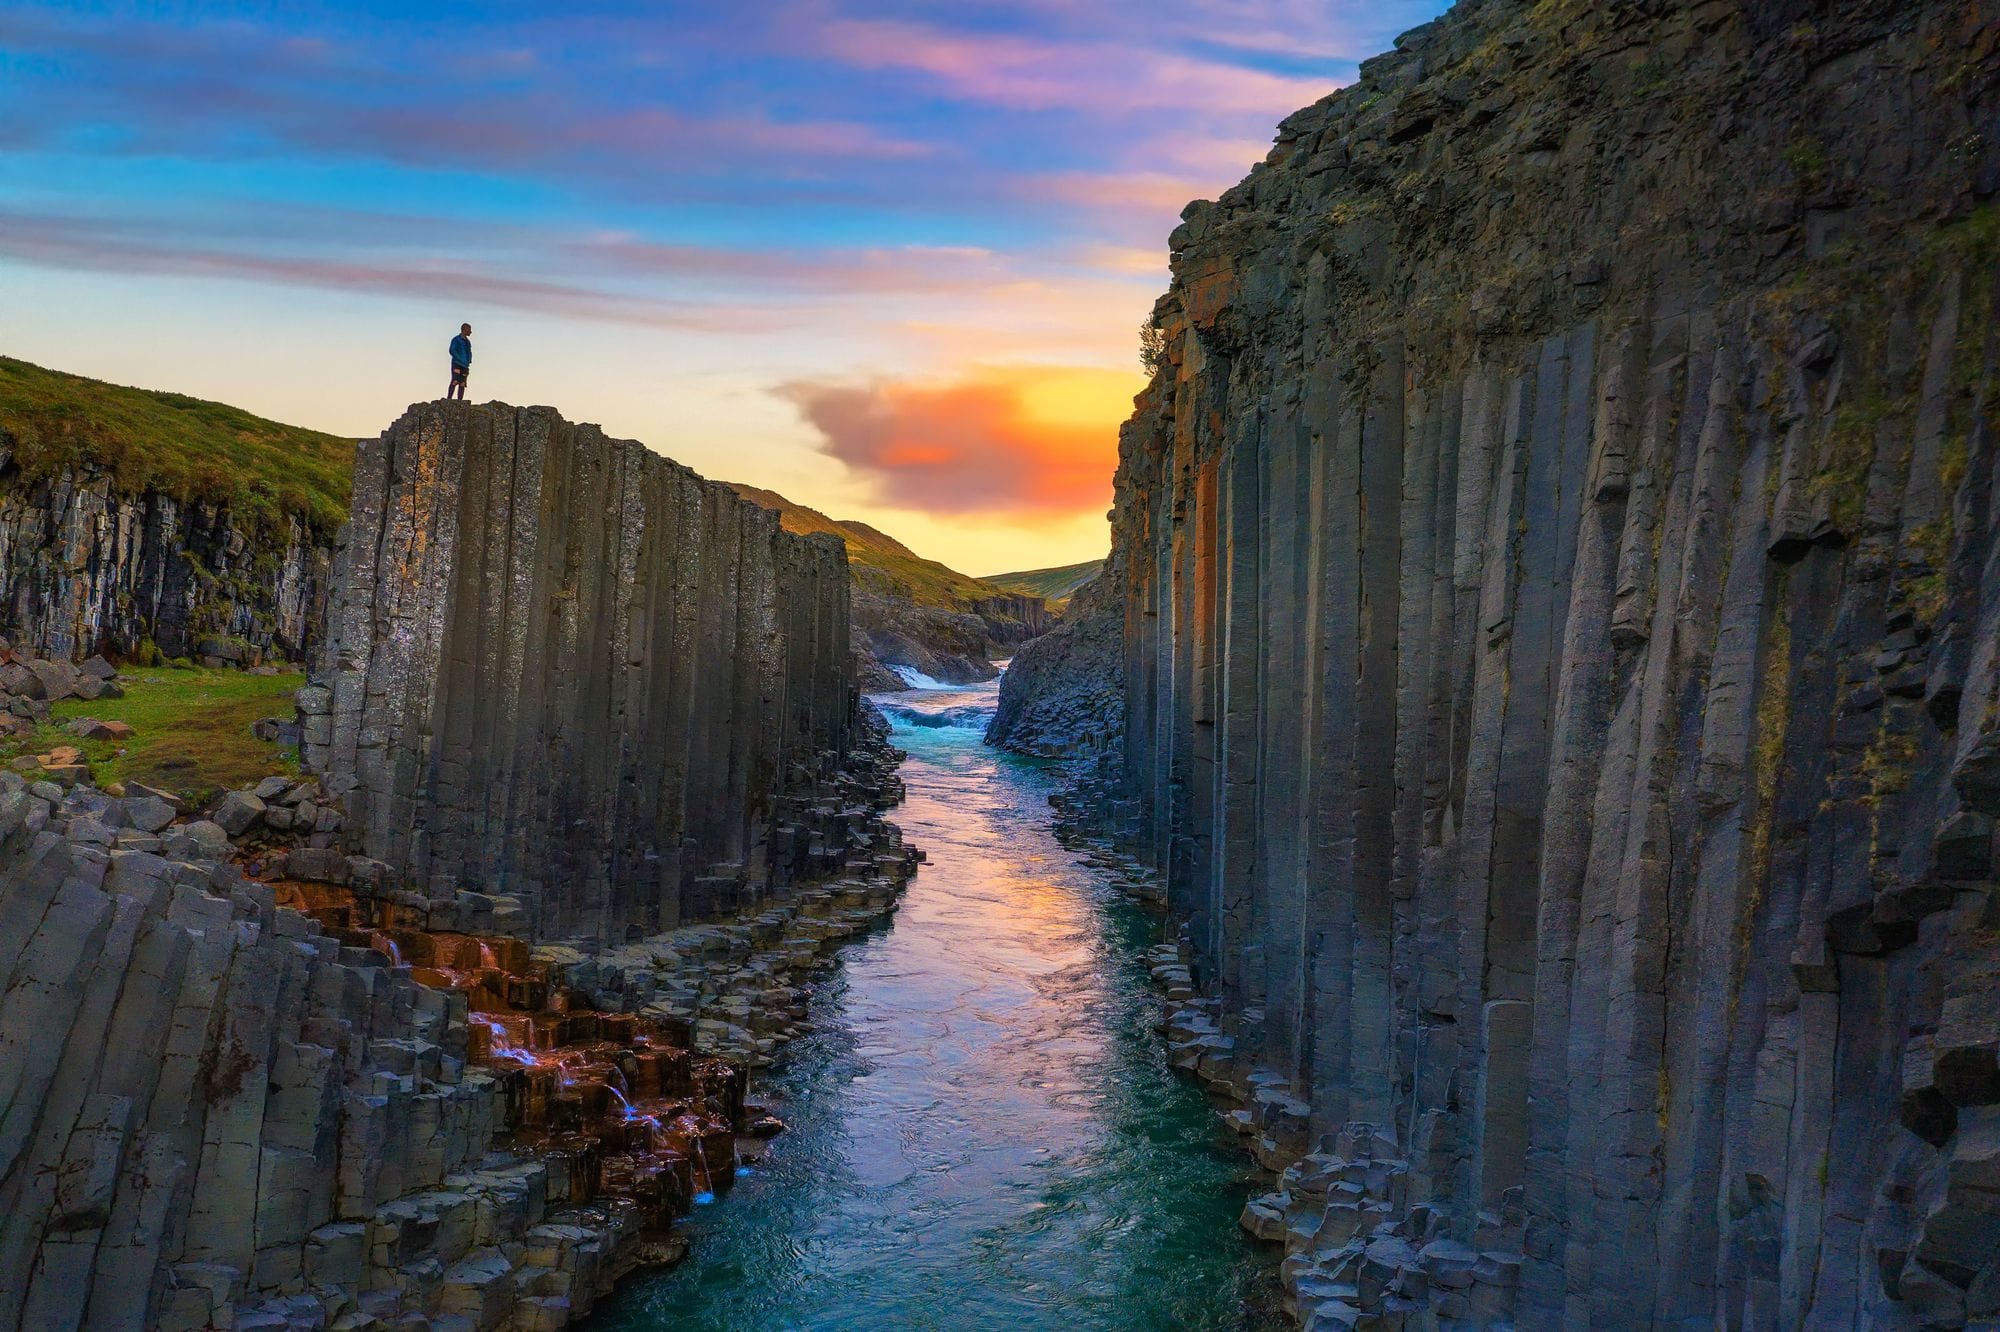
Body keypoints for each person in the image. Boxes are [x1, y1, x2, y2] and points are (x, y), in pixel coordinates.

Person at [447, 323, 473, 400]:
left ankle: (460, 401)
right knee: (455, 380)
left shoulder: (468, 342)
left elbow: (469, 351)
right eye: (469, 330)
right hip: (457, 363)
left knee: (462, 383)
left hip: (465, 365)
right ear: (464, 330)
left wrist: (469, 360)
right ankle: (449, 398)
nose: (471, 332)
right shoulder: (456, 339)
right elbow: (452, 350)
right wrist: (459, 358)